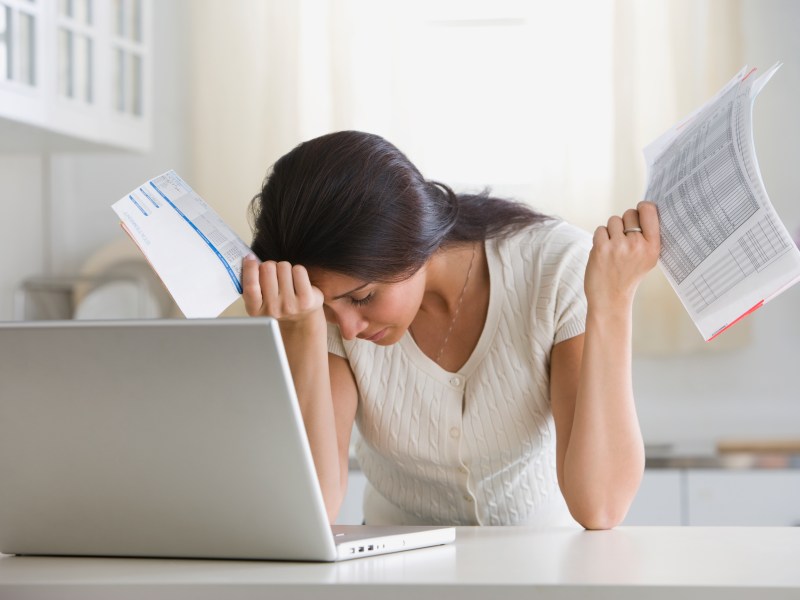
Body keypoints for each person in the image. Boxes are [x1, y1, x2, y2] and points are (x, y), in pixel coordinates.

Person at [243, 130, 660, 529]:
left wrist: (612, 303)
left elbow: (601, 506)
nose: (348, 329)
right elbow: (315, 509)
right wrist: (301, 330)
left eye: (364, 297)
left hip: (543, 565)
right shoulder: (327, 309)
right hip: (397, 574)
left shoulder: (554, 268)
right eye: (327, 308)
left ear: (410, 243)